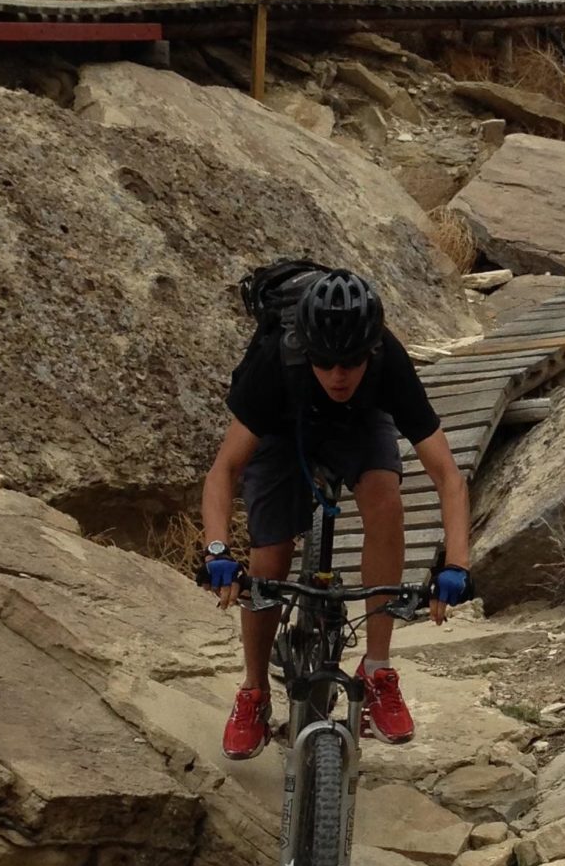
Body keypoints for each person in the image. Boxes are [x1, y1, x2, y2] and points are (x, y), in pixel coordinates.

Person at [199, 266, 472, 760]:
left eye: (350, 362)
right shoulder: (274, 362)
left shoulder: (388, 361)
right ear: (307, 349)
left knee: (385, 500)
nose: (338, 375)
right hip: (283, 428)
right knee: (271, 554)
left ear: (369, 350)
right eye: (325, 362)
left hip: (360, 424)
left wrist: (457, 564)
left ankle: (378, 668)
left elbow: (448, 475)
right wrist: (217, 551)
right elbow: (225, 470)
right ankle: (255, 692)